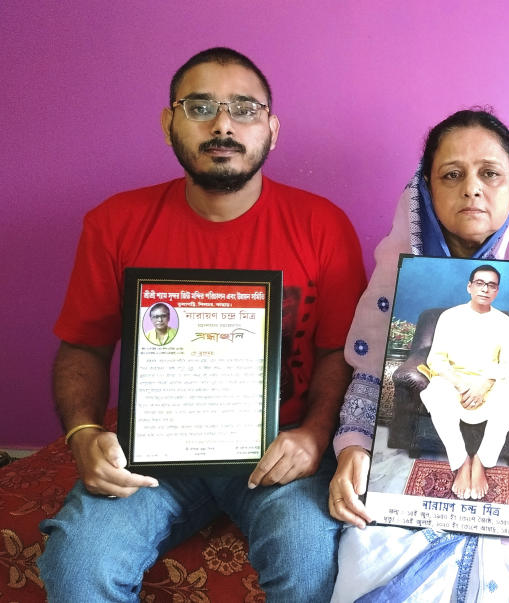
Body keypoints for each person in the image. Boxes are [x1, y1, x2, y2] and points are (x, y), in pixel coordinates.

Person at [38, 47, 366, 601]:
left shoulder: (323, 225)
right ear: (169, 123)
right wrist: (84, 435)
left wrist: (313, 436)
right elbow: (83, 348)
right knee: (76, 564)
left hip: (279, 453)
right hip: (154, 458)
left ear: (271, 129)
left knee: (312, 564)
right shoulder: (115, 222)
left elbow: (339, 353)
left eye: (244, 108)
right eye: (200, 107)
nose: (222, 125)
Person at [329, 109, 509, 601]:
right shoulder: (404, 275)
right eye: (453, 175)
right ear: (427, 188)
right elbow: (383, 374)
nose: (472, 188)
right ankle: (456, 462)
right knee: (375, 540)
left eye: (490, 173)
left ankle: (479, 463)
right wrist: (353, 452)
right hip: (428, 425)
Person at [420, 264, 509, 500]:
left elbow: (508, 364)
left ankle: (480, 461)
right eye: (480, 283)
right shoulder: (449, 317)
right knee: (435, 392)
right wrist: (460, 384)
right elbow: (435, 359)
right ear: (469, 286)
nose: (485, 289)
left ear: (497, 291)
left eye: (491, 285)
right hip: (454, 383)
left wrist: (484, 384)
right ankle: (461, 463)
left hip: (488, 384)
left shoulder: (503, 322)